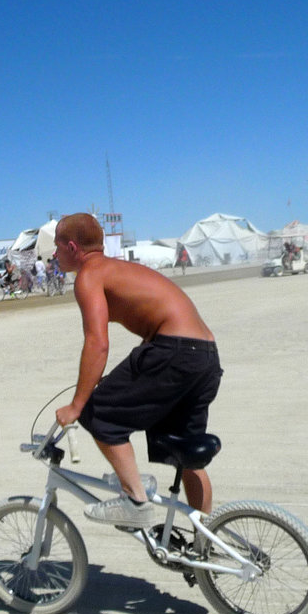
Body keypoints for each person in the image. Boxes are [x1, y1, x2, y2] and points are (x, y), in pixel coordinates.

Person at [53, 213, 222, 528]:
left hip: (174, 351)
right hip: (205, 356)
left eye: (57, 247)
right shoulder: (122, 269)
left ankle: (135, 501)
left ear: (73, 247)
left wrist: (77, 405)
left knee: (97, 412)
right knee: (185, 450)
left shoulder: (89, 275)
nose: (54, 254)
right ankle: (203, 542)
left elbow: (97, 343)